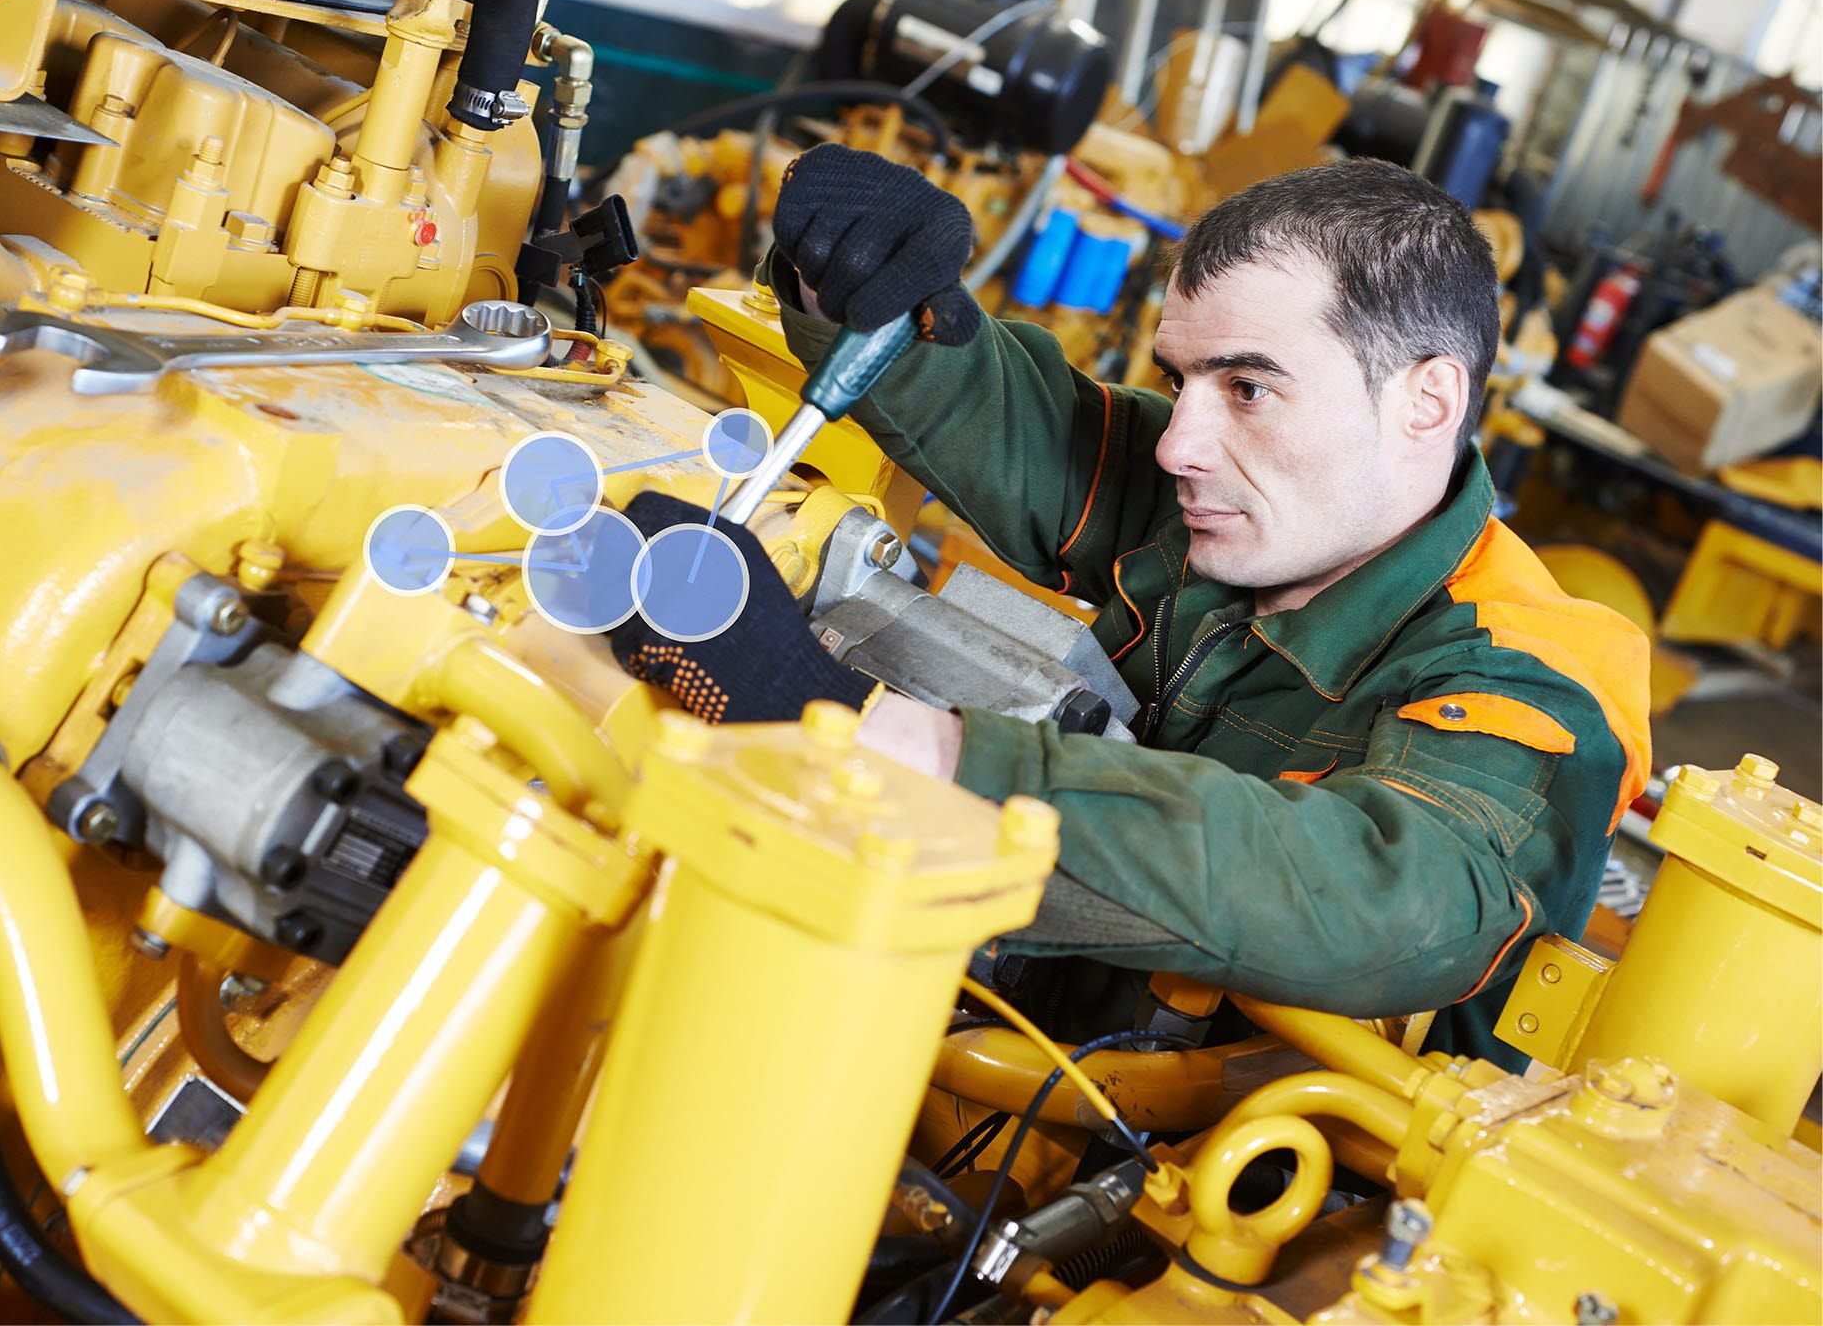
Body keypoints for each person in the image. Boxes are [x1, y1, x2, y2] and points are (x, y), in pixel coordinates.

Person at [611, 147, 1651, 1065]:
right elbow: (1018, 420)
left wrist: (873, 735)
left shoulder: (1530, 671)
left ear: (1424, 400)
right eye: (1180, 380)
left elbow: (1390, 896)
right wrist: (850, 273)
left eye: (1245, 388)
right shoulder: (1242, 507)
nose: (1176, 443)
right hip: (1030, 1046)